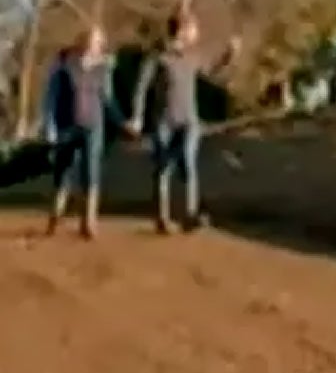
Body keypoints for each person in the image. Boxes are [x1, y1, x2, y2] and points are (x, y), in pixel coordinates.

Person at [129, 13, 237, 235]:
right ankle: (162, 218)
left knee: (188, 161)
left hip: (189, 120)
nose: (197, 34)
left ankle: (190, 214)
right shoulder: (159, 57)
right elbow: (141, 86)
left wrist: (229, 55)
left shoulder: (192, 56)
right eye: (193, 29)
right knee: (163, 168)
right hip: (164, 120)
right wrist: (137, 116)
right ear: (181, 31)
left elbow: (211, 72)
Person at [43, 28, 124, 239]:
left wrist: (123, 123)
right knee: (63, 171)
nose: (94, 45)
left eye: (98, 42)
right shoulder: (64, 66)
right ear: (82, 42)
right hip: (67, 126)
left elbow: (108, 99)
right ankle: (55, 216)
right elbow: (51, 97)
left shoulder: (103, 69)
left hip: (93, 125)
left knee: (91, 171)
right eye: (92, 41)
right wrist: (50, 127)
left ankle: (88, 222)